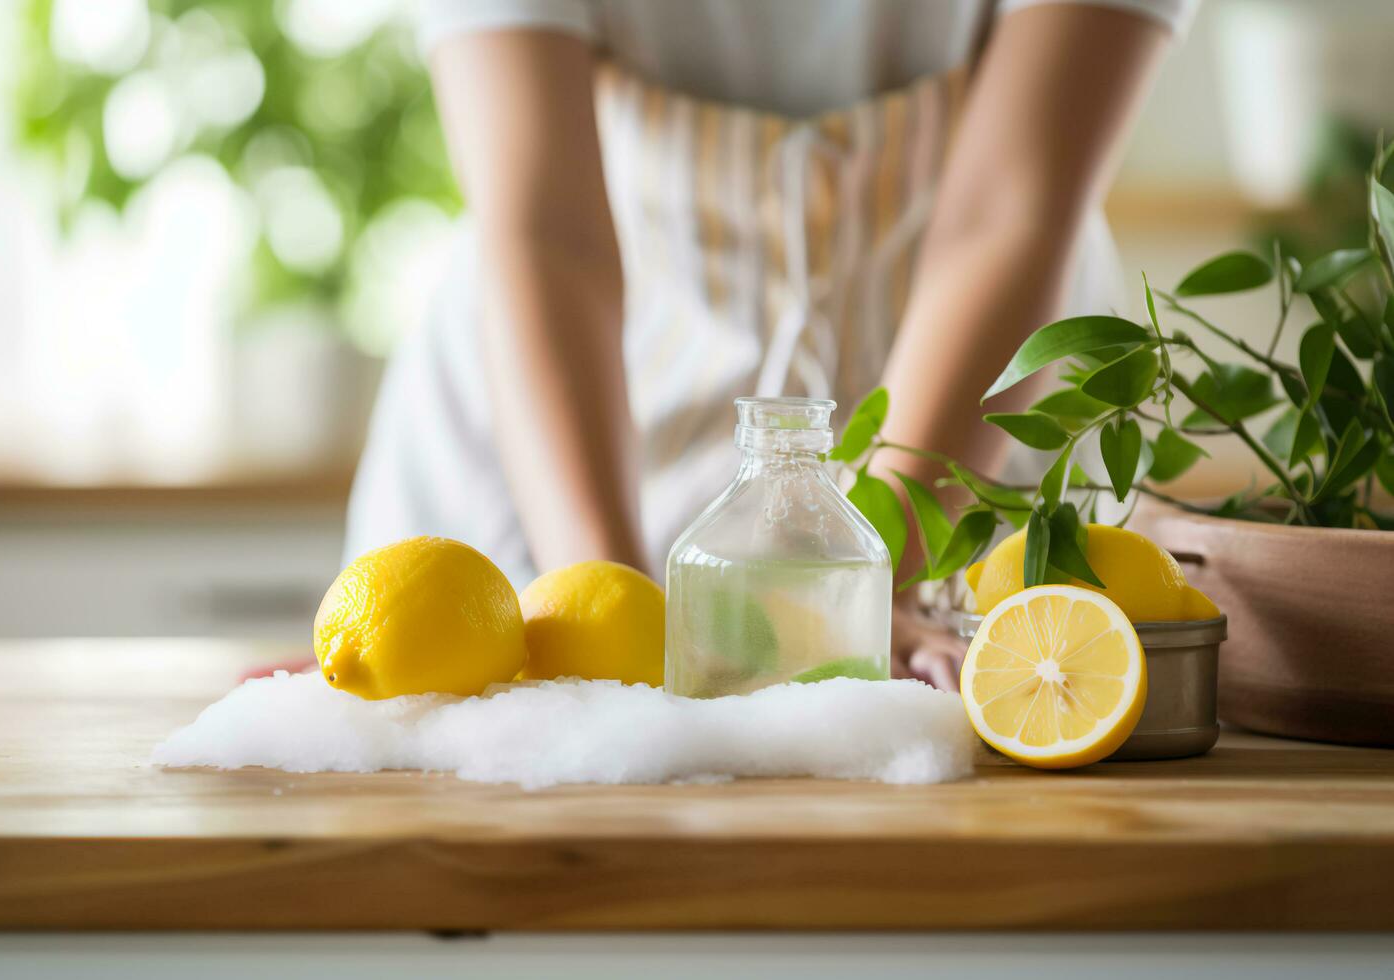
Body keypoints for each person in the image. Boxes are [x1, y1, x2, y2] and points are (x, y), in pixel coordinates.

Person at [346, 0, 1197, 690]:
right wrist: (607, 621)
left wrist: (865, 594)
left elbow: (1008, 214)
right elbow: (546, 232)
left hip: (961, 449)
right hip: (553, 458)